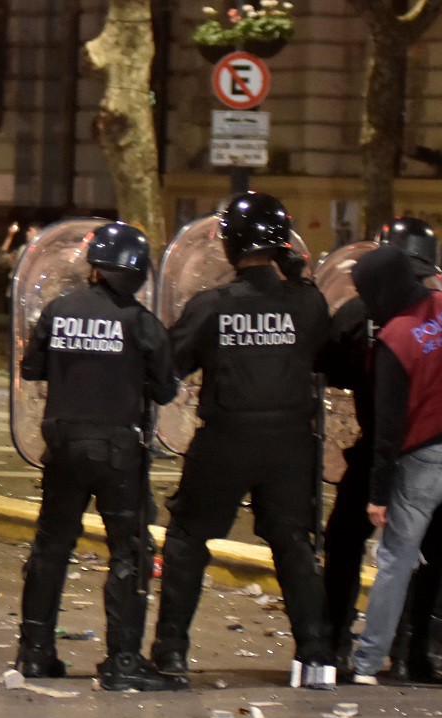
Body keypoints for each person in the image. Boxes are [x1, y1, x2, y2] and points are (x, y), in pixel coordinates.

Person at [150, 191, 337, 689]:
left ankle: (170, 651)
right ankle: (316, 657)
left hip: (227, 439)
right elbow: (326, 354)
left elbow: (170, 365)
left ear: (231, 244)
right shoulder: (307, 302)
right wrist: (297, 283)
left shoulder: (212, 305)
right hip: (291, 442)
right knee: (294, 545)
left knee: (188, 538)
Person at [17, 222, 183, 690]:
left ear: (95, 268)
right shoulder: (142, 324)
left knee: (51, 549)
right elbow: (166, 391)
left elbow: (31, 368)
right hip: (118, 453)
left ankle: (34, 653)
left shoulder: (59, 310)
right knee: (129, 552)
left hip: (63, 445)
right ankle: (122, 660)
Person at [320, 216, 442, 679]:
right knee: (433, 551)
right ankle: (415, 652)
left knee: (348, 543)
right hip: (439, 447)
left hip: (384, 449)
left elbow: (329, 368)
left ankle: (336, 645)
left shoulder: (361, 315)